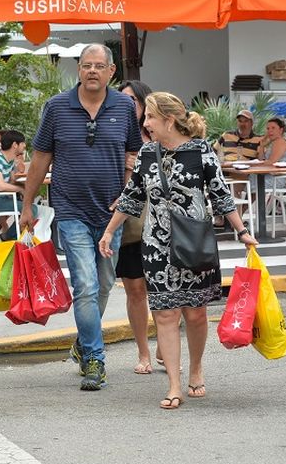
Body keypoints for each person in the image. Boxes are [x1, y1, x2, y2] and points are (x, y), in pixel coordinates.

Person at [99, 92, 258, 409]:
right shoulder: (146, 154)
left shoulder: (201, 152)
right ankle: (174, 385)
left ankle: (196, 368)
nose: (146, 124)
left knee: (196, 314)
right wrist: (109, 231)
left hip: (195, 244)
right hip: (157, 246)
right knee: (165, 313)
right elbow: (131, 197)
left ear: (168, 120)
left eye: (150, 118)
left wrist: (241, 230)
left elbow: (221, 195)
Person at [20, 43, 142, 391]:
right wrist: (28, 205)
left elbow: (133, 152)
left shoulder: (123, 106)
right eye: (86, 65)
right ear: (78, 70)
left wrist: (127, 191)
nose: (92, 71)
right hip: (71, 210)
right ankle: (95, 359)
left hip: (111, 214)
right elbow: (40, 158)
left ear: (111, 71)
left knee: (103, 285)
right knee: (86, 285)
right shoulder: (57, 108)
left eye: (98, 66)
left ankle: (84, 342)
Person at [116, 80, 156, 374]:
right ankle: (144, 352)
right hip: (127, 223)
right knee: (135, 288)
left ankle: (166, 350)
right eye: (122, 100)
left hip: (159, 221)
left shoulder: (158, 136)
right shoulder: (112, 134)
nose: (127, 105)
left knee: (166, 290)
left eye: (132, 100)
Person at [255, 117, 286, 190]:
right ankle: (256, 201)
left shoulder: (280, 142)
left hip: (278, 179)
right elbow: (261, 159)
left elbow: (271, 162)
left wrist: (254, 164)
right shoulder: (274, 142)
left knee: (252, 180)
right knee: (252, 178)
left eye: (273, 128)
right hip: (271, 176)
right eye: (268, 129)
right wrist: (262, 146)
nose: (270, 131)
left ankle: (257, 201)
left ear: (281, 130)